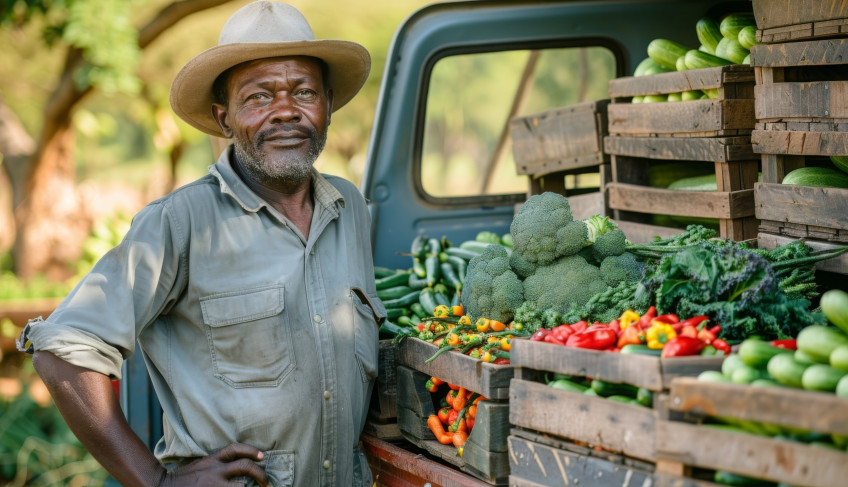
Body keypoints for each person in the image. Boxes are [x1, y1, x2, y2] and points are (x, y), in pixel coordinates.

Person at [17, 2, 385, 486]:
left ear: (328, 104)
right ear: (224, 116)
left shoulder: (349, 208)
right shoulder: (180, 223)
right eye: (258, 97)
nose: (286, 111)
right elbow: (64, 349)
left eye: (304, 91)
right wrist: (158, 481)